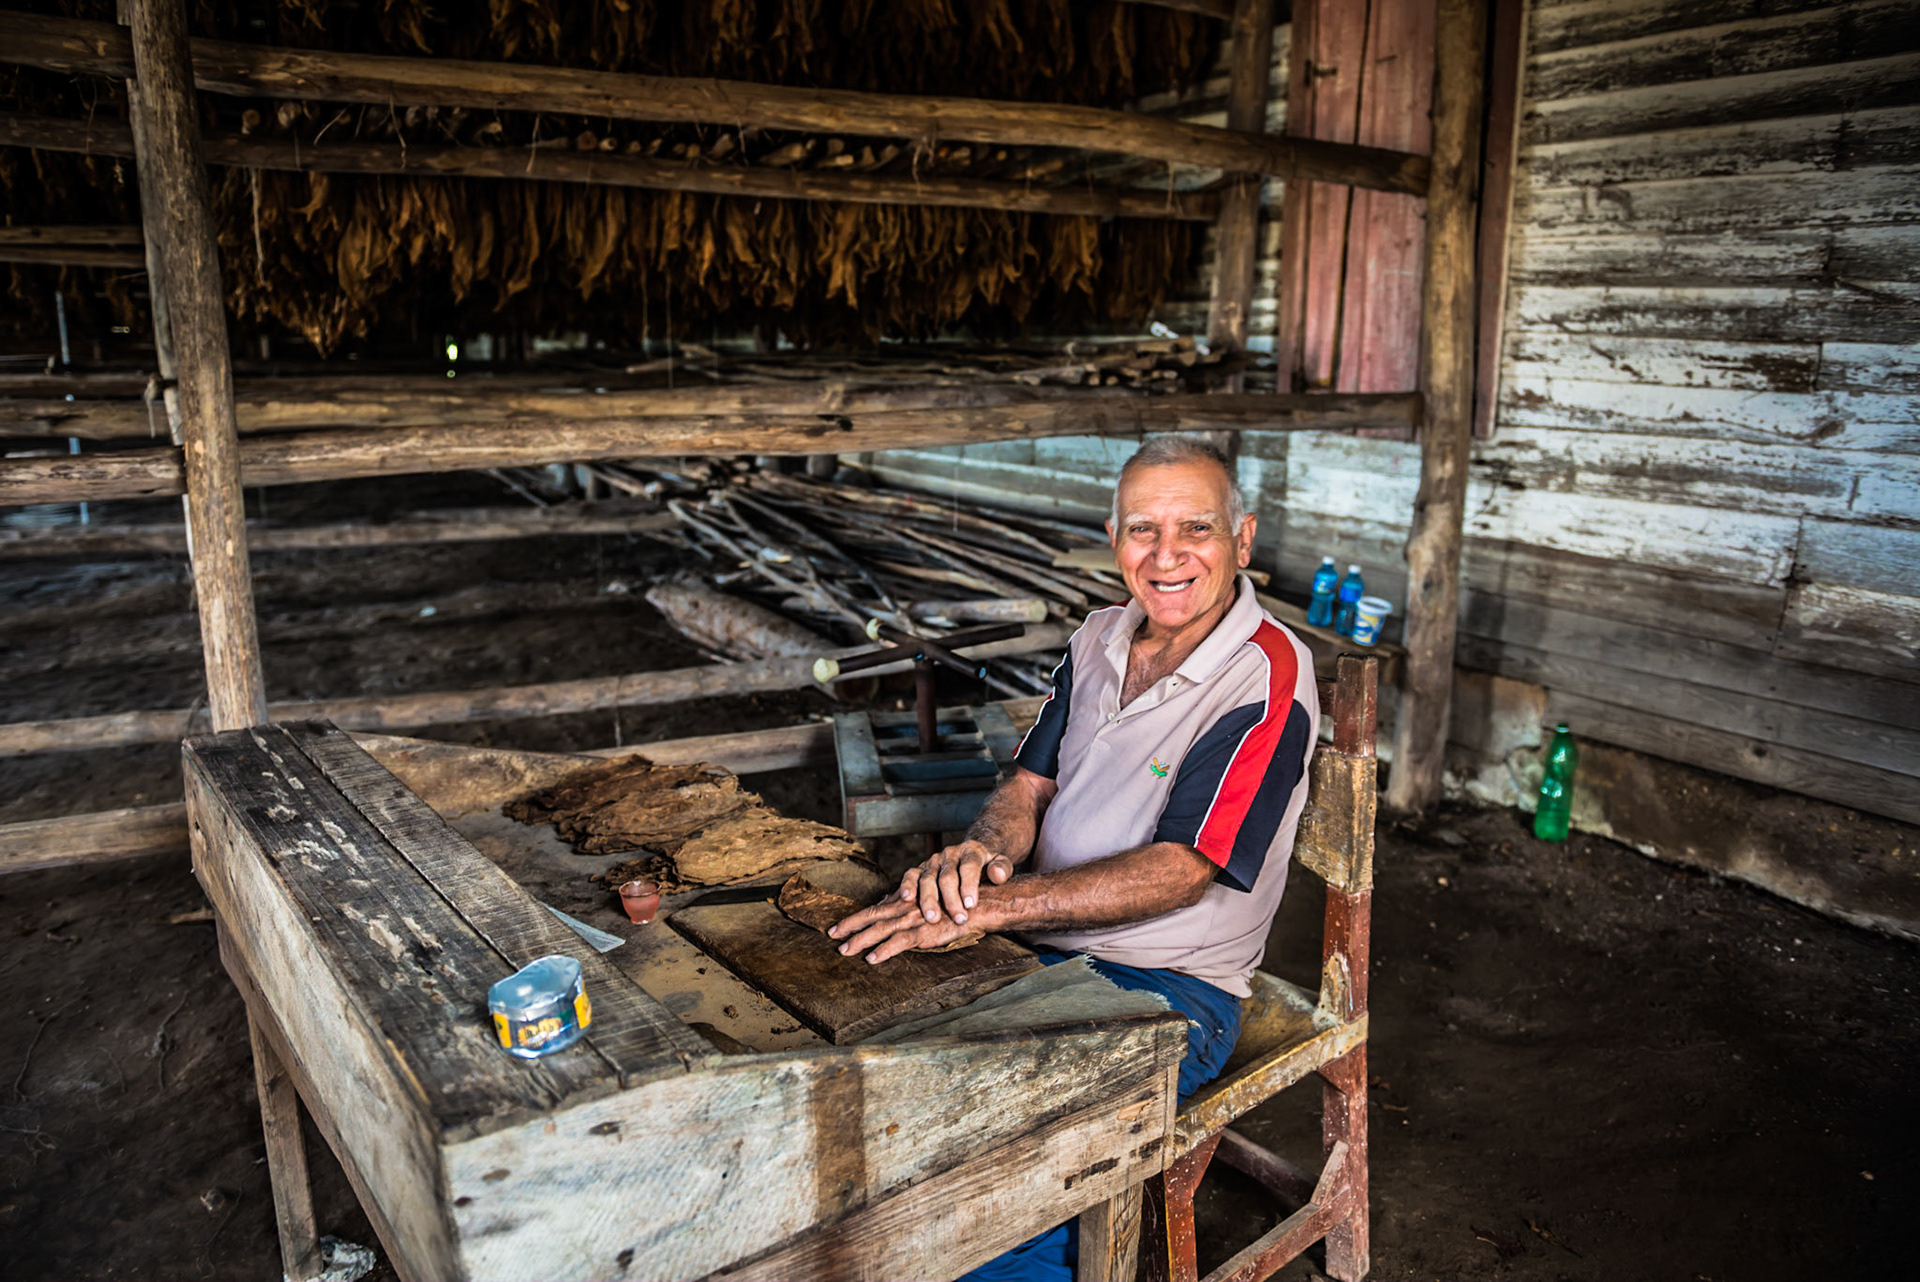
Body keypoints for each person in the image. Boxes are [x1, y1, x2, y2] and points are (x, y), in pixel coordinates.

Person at [829, 434, 1320, 1282]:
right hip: (1039, 947)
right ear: (1113, 536)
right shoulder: (1098, 636)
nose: (1167, 557)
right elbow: (1028, 784)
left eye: (1195, 530)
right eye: (1143, 531)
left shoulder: (1264, 674)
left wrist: (992, 910)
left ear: (1242, 541)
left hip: (1172, 987)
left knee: (1012, 1167)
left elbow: (1182, 868)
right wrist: (979, 856)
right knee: (867, 1078)